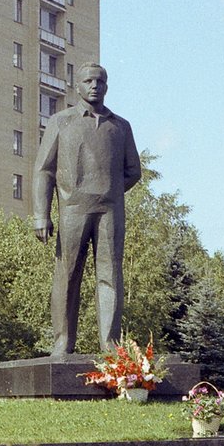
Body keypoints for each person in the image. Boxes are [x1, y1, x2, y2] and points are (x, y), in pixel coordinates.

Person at [33, 63, 141, 357]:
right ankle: (62, 343)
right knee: (67, 274)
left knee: (110, 276)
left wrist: (109, 190)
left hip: (109, 211)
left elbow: (133, 171)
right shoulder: (61, 122)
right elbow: (44, 170)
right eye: (88, 81)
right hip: (72, 209)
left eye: (100, 81)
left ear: (107, 86)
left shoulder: (120, 126)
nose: (95, 85)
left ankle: (110, 346)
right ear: (77, 86)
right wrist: (42, 214)